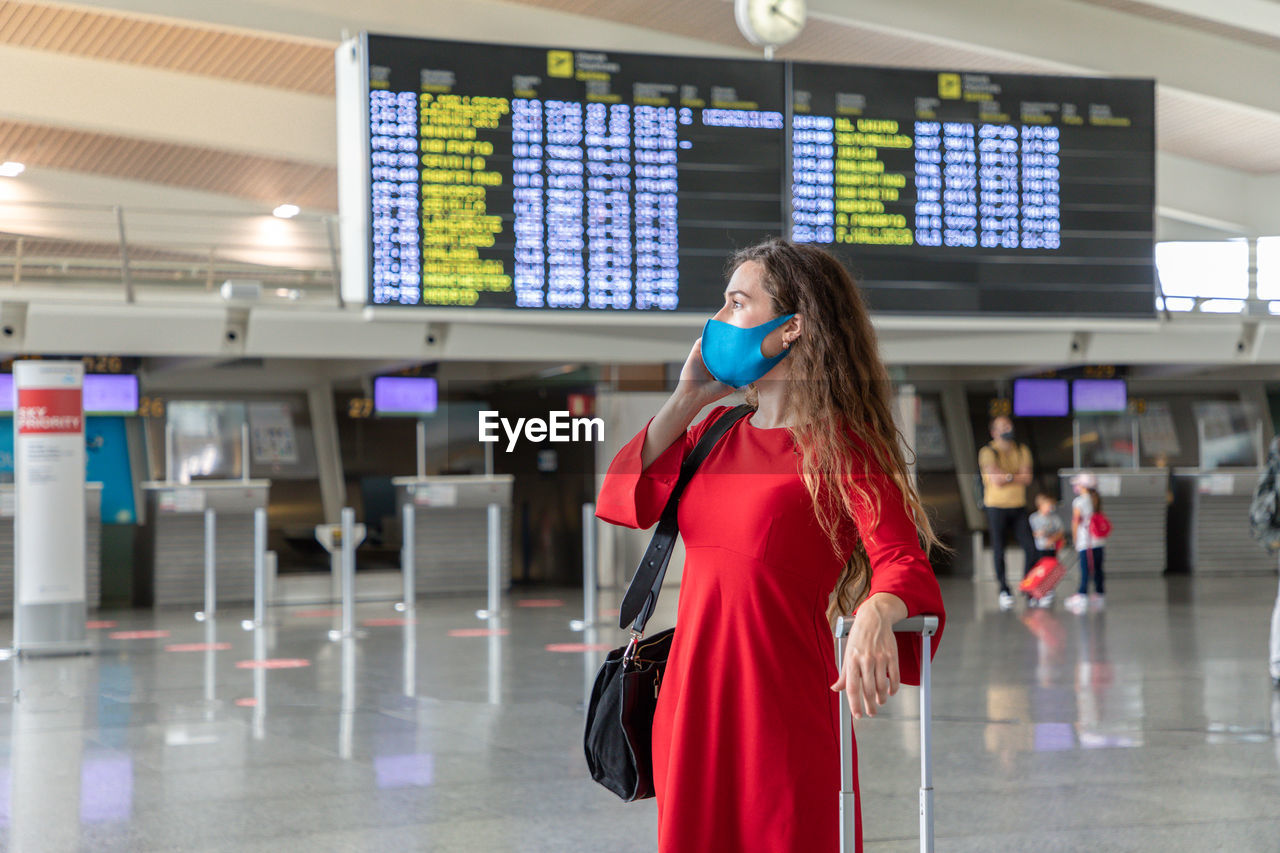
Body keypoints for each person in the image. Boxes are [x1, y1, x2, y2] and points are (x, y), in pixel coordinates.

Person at [595, 238, 945, 853]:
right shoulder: (713, 430)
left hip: (780, 708)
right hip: (691, 700)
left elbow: (902, 562)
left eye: (737, 302)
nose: (718, 321)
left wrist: (876, 612)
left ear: (793, 329)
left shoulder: (845, 449)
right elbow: (623, 500)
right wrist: (686, 399)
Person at [978, 415, 1037, 611]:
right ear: (994, 432)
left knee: (1031, 547)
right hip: (995, 506)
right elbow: (996, 480)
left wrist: (1007, 476)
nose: (1008, 429)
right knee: (999, 548)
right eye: (1003, 426)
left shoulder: (1022, 449)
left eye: (1009, 425)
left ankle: (1028, 588)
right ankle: (1004, 589)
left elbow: (1027, 478)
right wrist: (1014, 476)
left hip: (1018, 505)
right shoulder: (988, 451)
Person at [1065, 471, 1107, 614]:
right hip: (1098, 541)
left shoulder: (1079, 501)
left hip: (1085, 542)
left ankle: (1082, 594)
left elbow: (1075, 522)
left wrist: (1075, 540)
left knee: (1085, 569)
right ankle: (1100, 593)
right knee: (1098, 569)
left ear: (1083, 486)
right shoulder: (1096, 499)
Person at [1027, 491, 1066, 608]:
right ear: (1040, 505)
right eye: (1047, 505)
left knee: (1050, 570)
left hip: (1051, 548)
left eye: (1051, 506)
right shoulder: (1033, 518)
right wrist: (1038, 534)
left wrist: (1052, 539)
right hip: (1039, 549)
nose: (1050, 508)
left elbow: (1060, 532)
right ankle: (1034, 593)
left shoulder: (1054, 519)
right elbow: (1029, 533)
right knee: (1039, 570)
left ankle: (1048, 590)